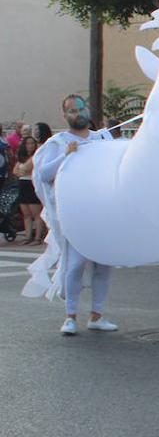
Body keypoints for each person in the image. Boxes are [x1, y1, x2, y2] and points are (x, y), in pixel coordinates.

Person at [36, 95, 117, 336]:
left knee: (104, 264)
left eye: (80, 108)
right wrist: (67, 155)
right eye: (71, 110)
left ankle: (97, 315)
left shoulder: (102, 137)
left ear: (87, 110)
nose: (77, 113)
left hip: (101, 212)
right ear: (65, 116)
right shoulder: (58, 142)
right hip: (76, 214)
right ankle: (70, 316)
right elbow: (43, 174)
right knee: (76, 265)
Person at [13, 136, 42, 244]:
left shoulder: (36, 156)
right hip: (22, 185)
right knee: (26, 214)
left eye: (32, 143)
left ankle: (38, 237)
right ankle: (27, 236)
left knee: (36, 214)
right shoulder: (22, 158)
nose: (30, 146)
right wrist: (21, 172)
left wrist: (22, 171)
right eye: (27, 144)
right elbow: (15, 170)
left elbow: (26, 169)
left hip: (31, 185)